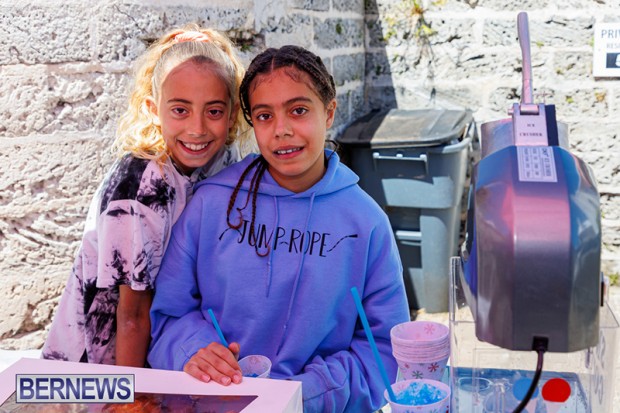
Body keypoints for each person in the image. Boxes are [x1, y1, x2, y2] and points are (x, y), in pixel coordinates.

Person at [148, 45, 410, 412]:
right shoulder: (210, 204)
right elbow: (168, 316)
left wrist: (308, 393)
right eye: (264, 116)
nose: (282, 130)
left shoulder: (366, 224)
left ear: (329, 112)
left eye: (298, 110)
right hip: (215, 402)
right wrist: (194, 351)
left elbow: (385, 349)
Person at [41, 24, 250, 367]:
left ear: (232, 115)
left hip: (170, 346)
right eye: (180, 110)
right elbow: (133, 315)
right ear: (153, 109)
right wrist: (135, 392)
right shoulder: (139, 188)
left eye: (213, 111)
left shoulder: (224, 161)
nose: (197, 129)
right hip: (105, 362)